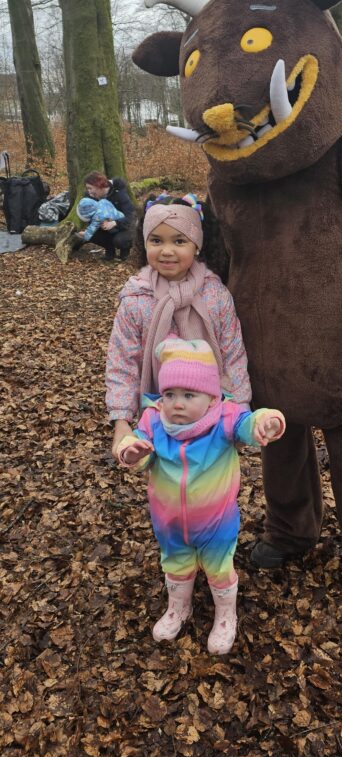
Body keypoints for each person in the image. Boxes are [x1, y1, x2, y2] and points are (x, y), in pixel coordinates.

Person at [117, 337, 285, 654]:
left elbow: (249, 424)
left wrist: (266, 420)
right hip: (169, 523)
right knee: (176, 565)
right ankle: (179, 608)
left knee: (218, 568)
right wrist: (131, 452)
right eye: (169, 394)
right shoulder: (154, 420)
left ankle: (225, 615)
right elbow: (136, 448)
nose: (176, 403)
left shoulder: (225, 419)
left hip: (215, 523)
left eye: (188, 394)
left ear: (210, 397)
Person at [106, 193, 252, 460]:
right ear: (144, 243)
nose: (167, 251)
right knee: (169, 487)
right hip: (160, 416)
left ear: (196, 245)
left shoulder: (214, 295)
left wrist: (239, 408)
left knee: (214, 485)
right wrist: (122, 420)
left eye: (179, 241)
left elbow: (233, 352)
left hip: (212, 414)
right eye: (156, 240)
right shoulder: (136, 300)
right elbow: (122, 363)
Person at [83, 171, 137, 261]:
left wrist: (115, 223)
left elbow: (131, 217)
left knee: (120, 241)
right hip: (106, 229)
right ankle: (110, 251)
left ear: (98, 185)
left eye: (90, 188)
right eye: (87, 189)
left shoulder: (119, 193)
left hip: (124, 227)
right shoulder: (91, 197)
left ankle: (125, 250)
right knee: (90, 234)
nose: (89, 192)